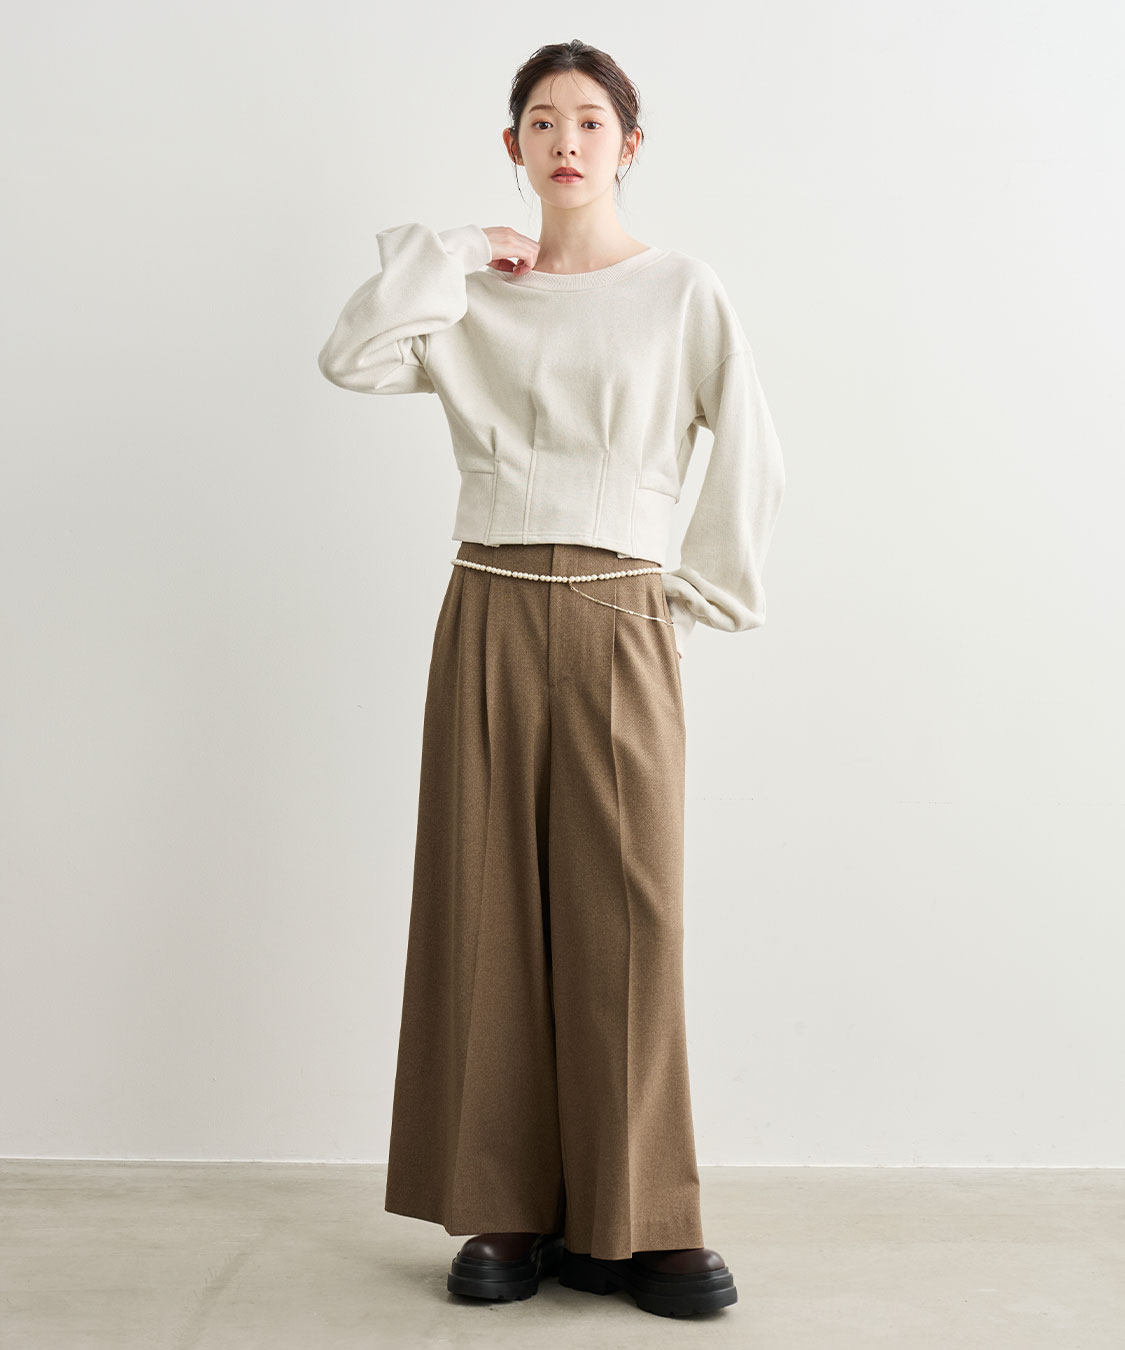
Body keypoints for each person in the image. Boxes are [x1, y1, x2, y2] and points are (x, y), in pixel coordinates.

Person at [317, 39, 785, 1321]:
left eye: (588, 120)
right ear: (514, 147)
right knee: (484, 907)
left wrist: (703, 590)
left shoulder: (681, 290)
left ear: (629, 145)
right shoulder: (473, 294)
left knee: (631, 913)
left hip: (624, 608)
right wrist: (460, 250)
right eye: (540, 120)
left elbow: (751, 443)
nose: (565, 140)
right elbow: (351, 356)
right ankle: (504, 1206)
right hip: (489, 603)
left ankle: (645, 1220)